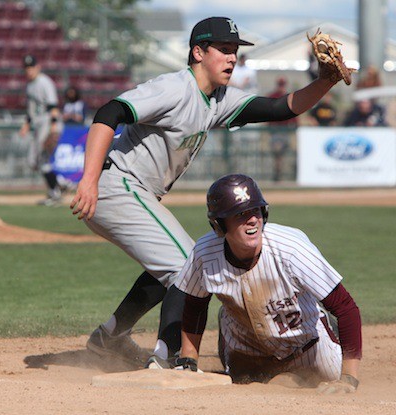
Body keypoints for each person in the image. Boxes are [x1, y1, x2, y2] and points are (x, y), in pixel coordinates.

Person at [70, 16, 348, 369]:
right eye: (224, 50)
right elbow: (110, 111)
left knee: (170, 263)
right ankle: (167, 357)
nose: (232, 58)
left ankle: (108, 338)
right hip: (117, 186)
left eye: (235, 51)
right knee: (188, 265)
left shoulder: (217, 99)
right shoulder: (174, 88)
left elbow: (279, 108)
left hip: (133, 192)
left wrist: (324, 82)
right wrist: (89, 179)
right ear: (198, 52)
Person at [175, 173, 362, 393]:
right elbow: (195, 304)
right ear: (219, 225)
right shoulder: (205, 252)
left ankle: (324, 327)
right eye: (240, 214)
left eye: (255, 210)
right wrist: (189, 359)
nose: (252, 219)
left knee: (316, 377)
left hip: (307, 351)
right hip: (246, 353)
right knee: (241, 378)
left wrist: (349, 377)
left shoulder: (290, 248)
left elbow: (345, 307)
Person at [19, 55, 63, 206]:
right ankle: (59, 185)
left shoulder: (45, 82)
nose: (29, 70)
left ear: (37, 67)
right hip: (38, 124)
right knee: (35, 161)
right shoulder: (29, 85)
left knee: (40, 159)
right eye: (26, 68)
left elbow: (53, 106)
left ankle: (56, 191)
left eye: (31, 67)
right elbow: (31, 110)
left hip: (47, 122)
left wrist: (53, 127)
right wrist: (26, 125)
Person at [267, 77, 298, 181]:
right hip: (276, 131)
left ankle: (293, 174)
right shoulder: (273, 96)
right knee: (278, 154)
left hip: (287, 130)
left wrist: (295, 125)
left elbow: (294, 113)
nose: (281, 87)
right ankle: (278, 175)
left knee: (292, 153)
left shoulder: (288, 97)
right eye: (280, 84)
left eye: (283, 84)